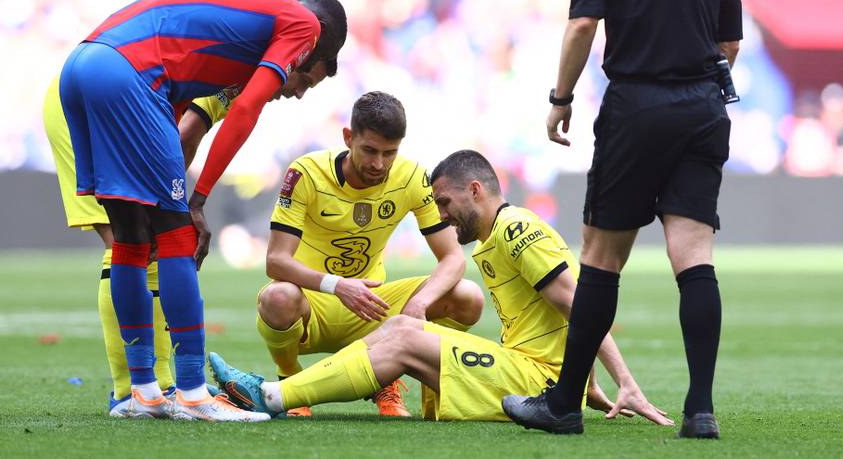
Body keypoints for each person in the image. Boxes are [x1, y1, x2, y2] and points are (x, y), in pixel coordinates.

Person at [502, 0, 742, 439]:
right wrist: (699, 88)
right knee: (694, 256)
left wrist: (559, 98)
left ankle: (561, 407)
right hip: (703, 108)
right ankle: (700, 412)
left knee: (602, 258)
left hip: (637, 105)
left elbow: (583, 25)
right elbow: (729, 43)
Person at [207, 149, 668, 425]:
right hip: (534, 370)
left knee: (406, 335)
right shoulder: (491, 243)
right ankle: (273, 388)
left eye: (445, 202)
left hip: (538, 379)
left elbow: (577, 305)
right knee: (403, 327)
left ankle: (268, 397)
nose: (442, 215)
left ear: (475, 190)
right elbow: (556, 320)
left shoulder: (515, 229)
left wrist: (622, 382)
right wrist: (584, 383)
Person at [57, 0, 347, 421]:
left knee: (133, 240)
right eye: (306, 73)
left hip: (82, 65)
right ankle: (193, 393)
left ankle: (144, 393)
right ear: (319, 36)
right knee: (177, 235)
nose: (299, 89)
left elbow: (175, 107)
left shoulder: (242, 26)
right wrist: (198, 199)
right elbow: (247, 109)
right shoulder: (302, 23)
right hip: (127, 74)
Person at [211, 92, 484, 417]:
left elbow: (453, 258)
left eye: (389, 153)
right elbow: (276, 261)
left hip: (373, 307)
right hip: (313, 306)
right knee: (277, 297)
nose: (378, 164)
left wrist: (420, 303)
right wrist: (338, 286)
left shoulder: (412, 178)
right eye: (369, 150)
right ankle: (291, 381)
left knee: (468, 296)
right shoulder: (306, 173)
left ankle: (399, 384)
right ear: (348, 137)